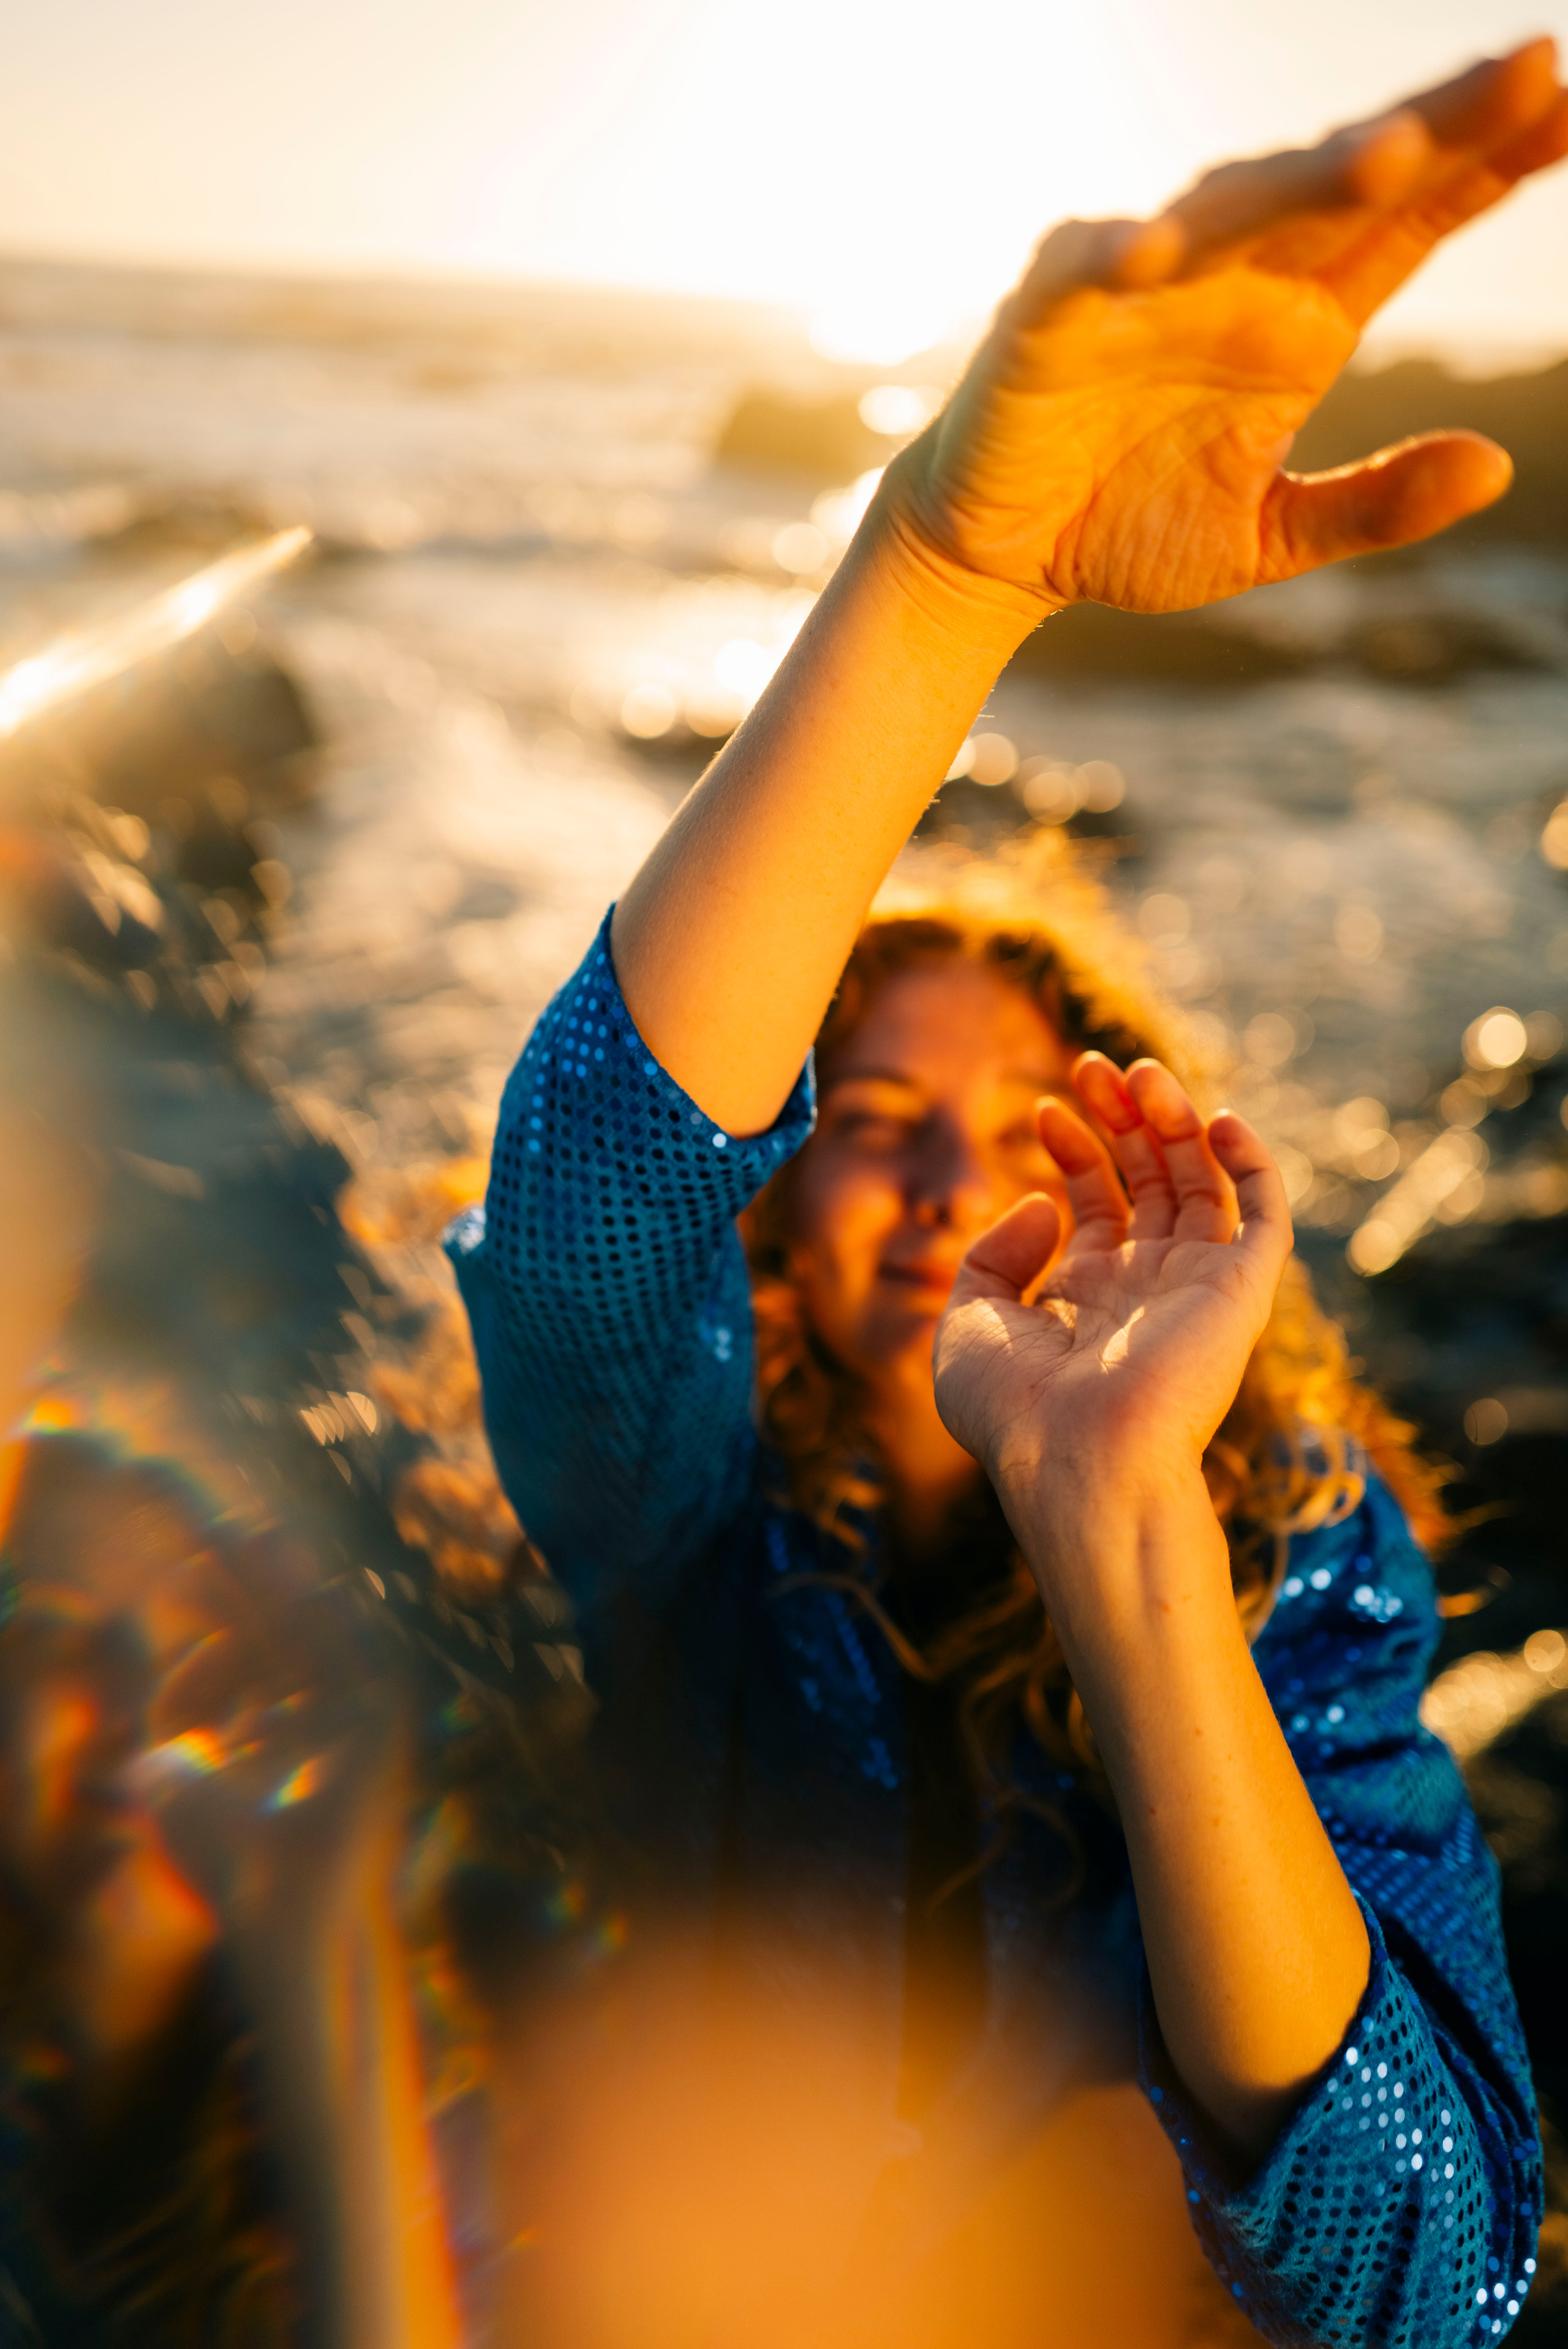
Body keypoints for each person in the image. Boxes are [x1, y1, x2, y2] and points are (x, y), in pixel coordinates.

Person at [449, 40, 1568, 2347]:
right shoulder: (691, 1518)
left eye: (1024, 1115)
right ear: (773, 1212)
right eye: (866, 1114)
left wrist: (1125, 1526)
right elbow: (588, 1224)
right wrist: (946, 575)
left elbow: (1428, 2275)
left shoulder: (1306, 1567)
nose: (952, 1166)